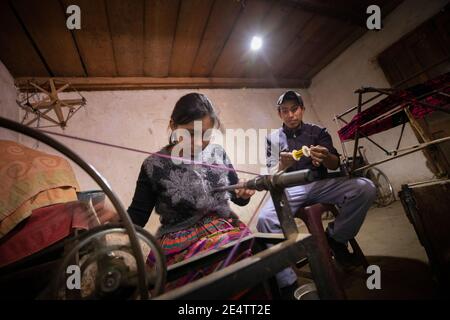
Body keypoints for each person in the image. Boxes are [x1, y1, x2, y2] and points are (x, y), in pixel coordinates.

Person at [127, 93, 255, 291]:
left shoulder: (217, 153)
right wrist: (116, 221)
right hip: (178, 239)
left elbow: (238, 197)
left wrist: (243, 193)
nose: (197, 142)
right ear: (172, 125)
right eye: (189, 133)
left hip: (224, 227)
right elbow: (137, 217)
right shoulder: (153, 165)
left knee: (251, 254)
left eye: (205, 134)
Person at [257, 90, 376, 298]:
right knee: (265, 219)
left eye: (294, 109)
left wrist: (325, 156)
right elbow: (271, 173)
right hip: (290, 189)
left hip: (321, 184)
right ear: (280, 114)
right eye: (285, 111)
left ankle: (336, 238)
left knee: (365, 188)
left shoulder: (318, 131)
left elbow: (335, 163)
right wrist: (282, 165)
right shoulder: (272, 139)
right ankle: (288, 283)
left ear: (302, 109)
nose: (290, 115)